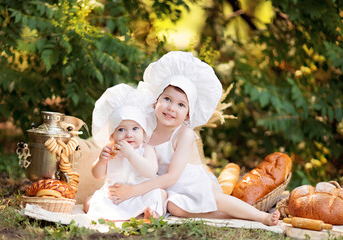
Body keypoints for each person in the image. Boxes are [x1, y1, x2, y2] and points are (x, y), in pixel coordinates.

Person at [107, 51, 280, 225]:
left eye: (181, 104)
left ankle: (261, 217)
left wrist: (132, 191)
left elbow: (173, 176)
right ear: (155, 102)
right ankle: (229, 216)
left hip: (194, 184)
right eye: (167, 99)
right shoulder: (145, 131)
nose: (171, 108)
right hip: (171, 190)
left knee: (215, 200)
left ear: (188, 115)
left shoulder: (184, 134)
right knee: (174, 208)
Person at [84, 83, 166, 221]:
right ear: (111, 135)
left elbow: (150, 171)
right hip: (115, 197)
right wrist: (102, 161)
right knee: (89, 201)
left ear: (144, 132)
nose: (129, 135)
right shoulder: (111, 150)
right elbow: (97, 175)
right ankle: (118, 215)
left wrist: (131, 154)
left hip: (140, 195)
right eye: (121, 130)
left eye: (135, 129)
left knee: (160, 194)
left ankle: (150, 213)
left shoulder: (146, 149)